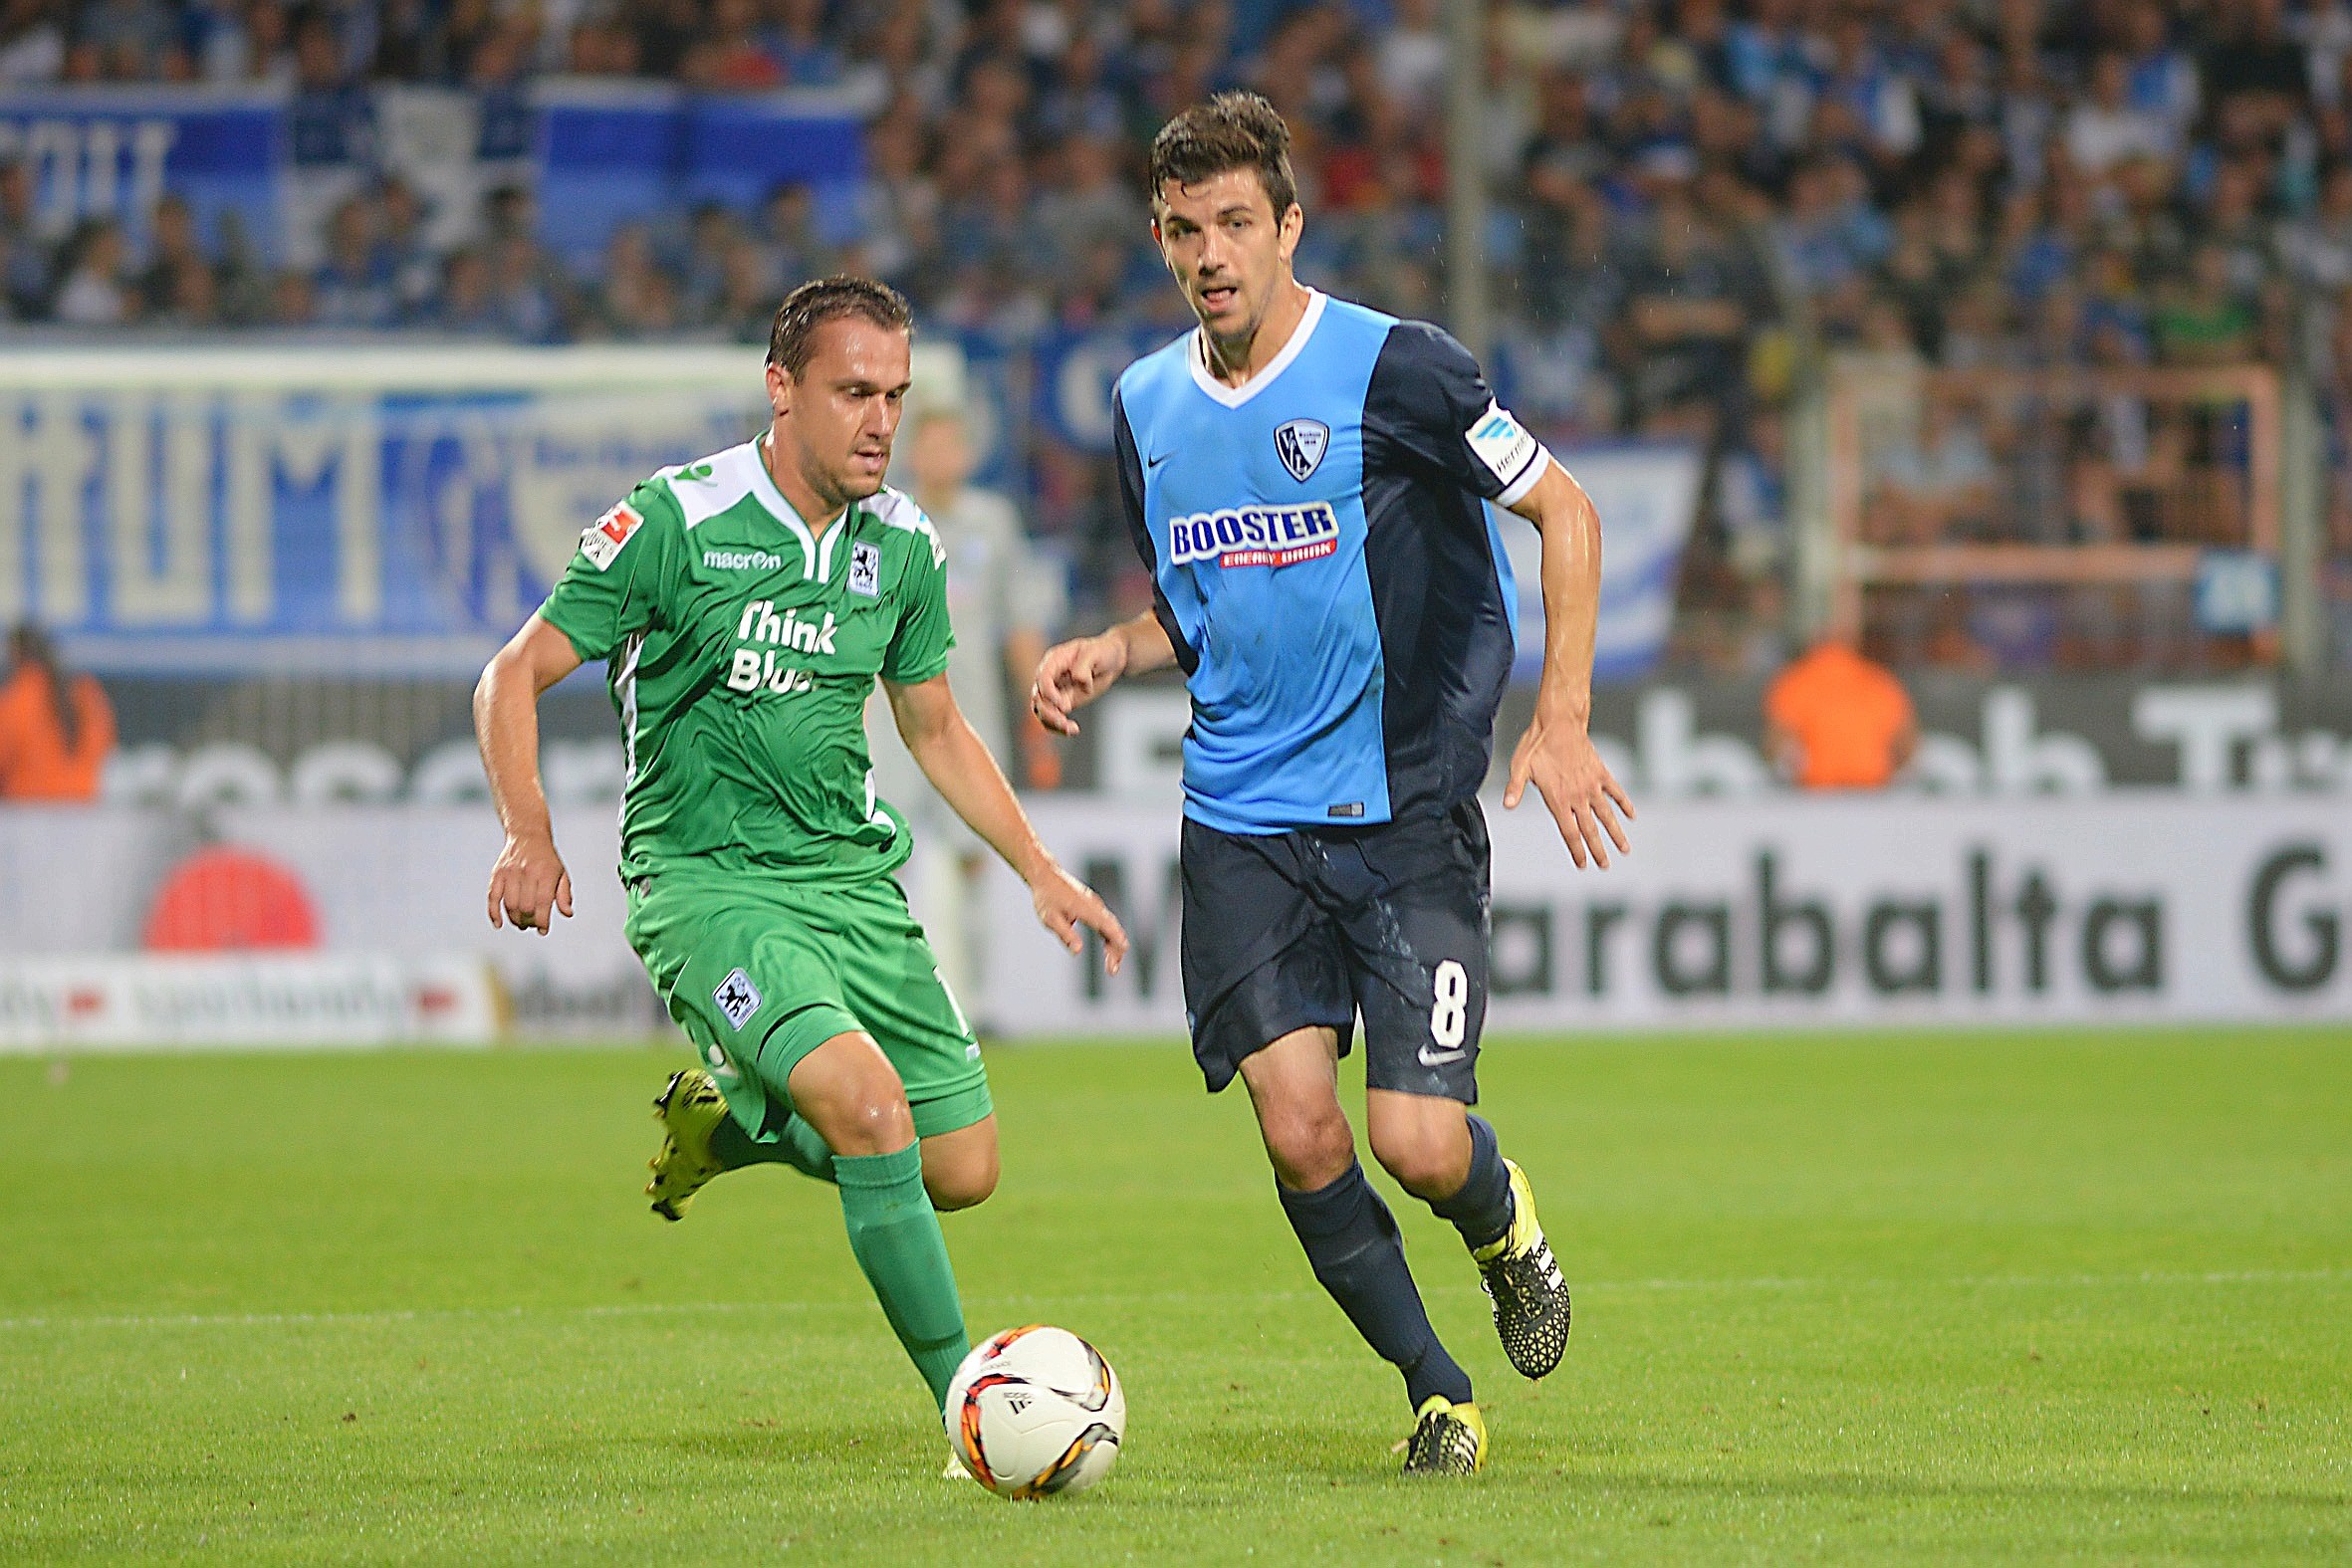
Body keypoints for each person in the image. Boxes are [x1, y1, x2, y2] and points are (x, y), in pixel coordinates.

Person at [1031, 94, 1633, 1476]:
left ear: (1288, 225)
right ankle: (1437, 1391)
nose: (1209, 254)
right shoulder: (1144, 406)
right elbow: (1201, 605)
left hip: (1404, 811)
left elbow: (1566, 507)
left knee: (1416, 1139)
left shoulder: (1397, 368)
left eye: (1236, 223)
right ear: (1159, 239)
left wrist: (1564, 710)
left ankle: (1504, 1229)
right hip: (1240, 818)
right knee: (1301, 1132)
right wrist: (1110, 652)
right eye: (1183, 230)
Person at [473, 276, 1128, 1442]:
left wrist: (1035, 862)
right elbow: (511, 674)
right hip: (710, 887)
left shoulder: (905, 546)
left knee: (961, 1166)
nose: (881, 421)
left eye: (896, 394)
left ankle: (735, 1127)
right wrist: (529, 830)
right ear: (781, 390)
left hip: (851, 887)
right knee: (873, 1113)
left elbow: (932, 725)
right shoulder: (674, 522)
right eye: (853, 393)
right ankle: (971, 1412)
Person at [866, 405, 1065, 1018]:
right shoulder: (880, 520)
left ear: (969, 455)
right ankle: (885, 1004)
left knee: (975, 859)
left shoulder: (992, 524)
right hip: (888, 724)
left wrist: (1037, 725)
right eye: (930, 445)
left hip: (968, 719)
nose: (940, 458)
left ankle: (971, 1005)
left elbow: (1019, 628)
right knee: (880, 863)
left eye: (952, 445)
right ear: (912, 453)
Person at [1764, 634, 1918, 788]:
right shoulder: (1880, 681)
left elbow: (1778, 744)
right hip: (1873, 791)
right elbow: (1906, 746)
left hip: (1815, 793)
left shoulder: (1793, 682)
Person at [0, 622, 116, 802]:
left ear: (15, 653)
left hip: (25, 813)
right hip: (84, 810)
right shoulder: (87, 693)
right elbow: (104, 748)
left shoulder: (15, 699)